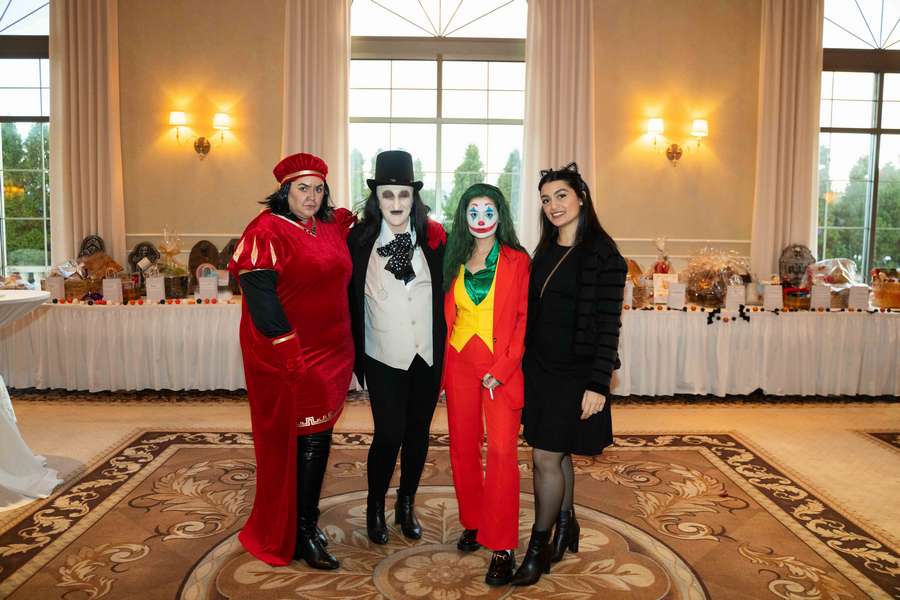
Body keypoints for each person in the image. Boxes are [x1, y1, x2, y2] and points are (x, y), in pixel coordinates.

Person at [228, 152, 356, 569]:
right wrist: (288, 351)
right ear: (285, 191)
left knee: (318, 436)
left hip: (335, 351)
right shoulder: (265, 231)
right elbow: (262, 300)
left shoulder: (328, 225)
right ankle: (301, 531)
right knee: (309, 440)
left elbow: (360, 221)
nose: (312, 196)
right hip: (296, 355)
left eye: (318, 188)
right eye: (303, 188)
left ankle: (304, 521)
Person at [510, 162, 627, 586]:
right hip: (539, 368)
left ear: (581, 197)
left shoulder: (604, 255)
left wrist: (599, 383)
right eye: (546, 199)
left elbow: (609, 324)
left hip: (575, 373)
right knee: (556, 453)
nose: (553, 205)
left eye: (561, 195)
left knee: (544, 456)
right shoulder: (544, 249)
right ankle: (566, 523)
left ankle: (537, 547)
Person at [347, 150, 447, 545]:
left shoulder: (435, 241)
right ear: (377, 199)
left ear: (413, 197)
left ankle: (406, 504)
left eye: (403, 195)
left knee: (418, 434)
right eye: (387, 195)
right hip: (383, 356)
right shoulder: (358, 242)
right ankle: (375, 506)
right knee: (388, 434)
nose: (396, 203)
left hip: (426, 356)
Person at [441, 183, 530, 586]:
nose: (480, 219)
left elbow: (524, 319)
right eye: (473, 211)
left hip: (499, 367)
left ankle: (502, 544)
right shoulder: (454, 257)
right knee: (462, 448)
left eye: (488, 211)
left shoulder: (517, 260)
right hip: (460, 362)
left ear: (500, 215)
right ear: (463, 216)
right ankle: (474, 521)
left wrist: (505, 366)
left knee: (501, 451)